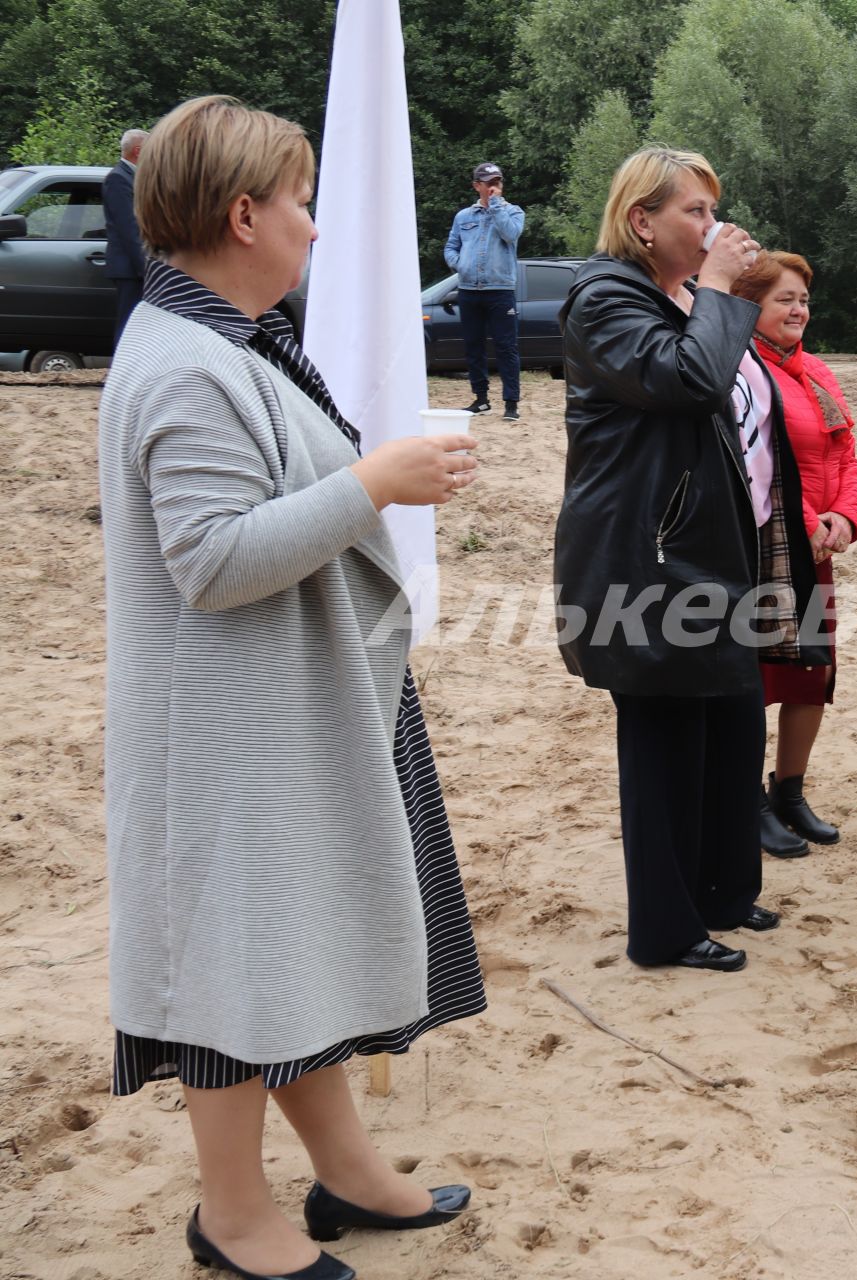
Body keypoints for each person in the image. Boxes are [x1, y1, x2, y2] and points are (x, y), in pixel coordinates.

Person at [100, 95, 486, 1280]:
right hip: (228, 732)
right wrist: (377, 479)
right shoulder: (183, 364)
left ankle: (346, 1169)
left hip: (281, 710)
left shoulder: (225, 339)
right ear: (242, 213)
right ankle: (229, 1212)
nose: (315, 230)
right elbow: (212, 559)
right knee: (237, 966)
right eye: (302, 204)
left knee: (291, 947)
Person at [553, 147, 827, 973]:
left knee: (731, 726)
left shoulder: (671, 299)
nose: (714, 227)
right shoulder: (604, 297)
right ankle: (666, 931)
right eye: (695, 213)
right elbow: (690, 381)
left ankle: (723, 893)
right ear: (643, 221)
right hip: (645, 563)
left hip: (709, 553)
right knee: (667, 743)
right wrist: (714, 288)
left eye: (714, 211)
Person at [729, 251, 857, 858]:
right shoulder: (743, 369)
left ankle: (789, 792)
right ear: (751, 303)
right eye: (785, 299)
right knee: (759, 676)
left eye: (804, 300)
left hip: (819, 547)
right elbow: (763, 461)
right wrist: (809, 520)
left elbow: (844, 453)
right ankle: (746, 802)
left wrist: (844, 517)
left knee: (813, 672)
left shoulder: (815, 371)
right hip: (770, 545)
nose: (799, 310)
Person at [444, 161, 525, 420]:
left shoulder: (513, 212)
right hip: (469, 289)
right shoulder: (463, 217)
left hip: (500, 289)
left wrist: (497, 206)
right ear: (476, 186)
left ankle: (511, 403)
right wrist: (461, 266)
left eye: (497, 182)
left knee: (506, 347)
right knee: (473, 346)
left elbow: (510, 235)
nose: (494, 187)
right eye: (488, 183)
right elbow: (451, 246)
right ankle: (480, 399)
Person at [103, 127, 147, 346]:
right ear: (138, 151)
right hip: (129, 268)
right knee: (129, 322)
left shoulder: (133, 177)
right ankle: (122, 373)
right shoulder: (118, 179)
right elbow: (129, 228)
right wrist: (145, 267)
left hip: (133, 266)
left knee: (139, 324)